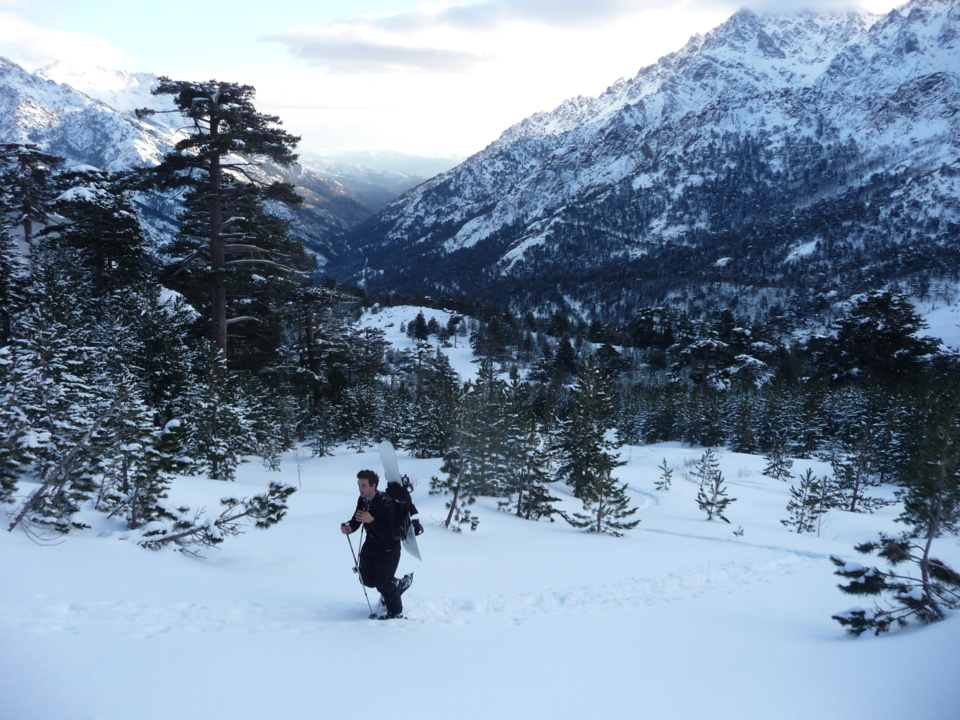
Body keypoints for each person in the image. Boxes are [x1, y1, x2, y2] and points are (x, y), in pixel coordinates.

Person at [341, 469, 404, 619]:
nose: (360, 489)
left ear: (373, 485)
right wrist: (350, 527)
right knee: (367, 579)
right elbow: (357, 518)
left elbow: (388, 535)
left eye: (363, 485)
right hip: (371, 545)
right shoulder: (363, 499)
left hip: (388, 548)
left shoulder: (386, 502)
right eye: (359, 485)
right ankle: (394, 584)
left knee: (383, 584)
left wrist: (372, 521)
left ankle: (396, 613)